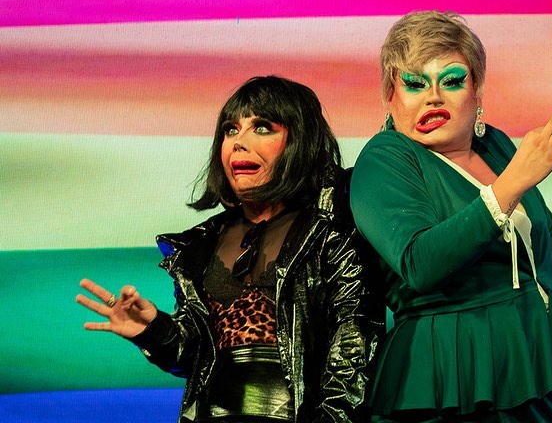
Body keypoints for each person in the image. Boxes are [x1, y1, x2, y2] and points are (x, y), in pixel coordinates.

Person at [349, 11, 552, 423]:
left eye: (451, 81)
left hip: (530, 368)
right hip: (448, 382)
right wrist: (511, 184)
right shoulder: (384, 159)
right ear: (390, 95)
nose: (433, 97)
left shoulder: (497, 146)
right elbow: (421, 263)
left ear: (477, 92)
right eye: (415, 84)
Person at [77, 76, 384, 423]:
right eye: (230, 129)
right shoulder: (201, 244)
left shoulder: (332, 229)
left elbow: (354, 345)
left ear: (301, 141)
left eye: (262, 128)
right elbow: (195, 354)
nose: (239, 142)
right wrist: (154, 330)